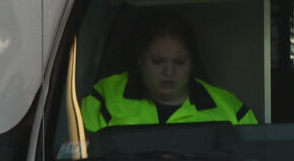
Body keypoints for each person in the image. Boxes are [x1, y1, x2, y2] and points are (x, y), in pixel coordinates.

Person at [81, 10, 257, 129]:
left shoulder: (231, 109)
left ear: (192, 63)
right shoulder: (106, 97)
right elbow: (79, 154)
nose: (169, 72)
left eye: (179, 62)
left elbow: (254, 160)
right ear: (140, 60)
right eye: (157, 62)